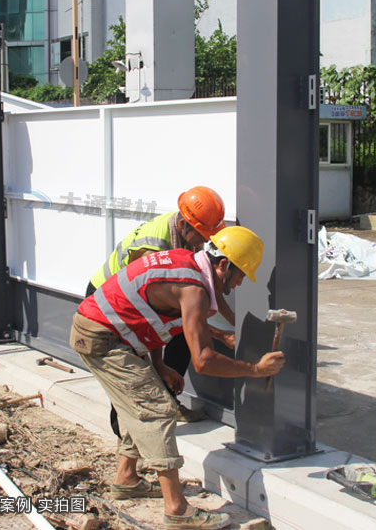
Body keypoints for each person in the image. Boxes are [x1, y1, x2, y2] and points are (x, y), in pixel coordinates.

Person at [70, 226, 285, 530]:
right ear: (223, 265)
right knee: (157, 409)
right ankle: (177, 510)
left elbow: (153, 316)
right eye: (239, 275)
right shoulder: (194, 289)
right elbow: (203, 361)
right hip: (102, 338)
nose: (239, 283)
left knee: (139, 404)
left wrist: (159, 366)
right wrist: (255, 370)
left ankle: (126, 478)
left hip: (108, 331)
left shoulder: (184, 262)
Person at [85, 186, 236, 435]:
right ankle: (124, 431)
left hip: (140, 305)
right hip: (107, 303)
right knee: (131, 369)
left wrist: (235, 322)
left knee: (182, 340)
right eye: (202, 236)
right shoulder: (153, 249)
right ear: (184, 225)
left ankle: (167, 403)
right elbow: (154, 315)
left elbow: (210, 288)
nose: (204, 242)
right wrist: (220, 335)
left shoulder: (186, 232)